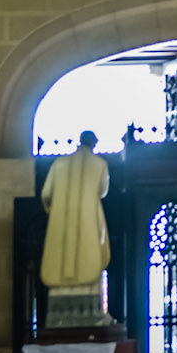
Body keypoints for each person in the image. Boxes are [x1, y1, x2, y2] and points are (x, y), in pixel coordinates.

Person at [40, 130, 111, 315]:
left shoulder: (59, 163)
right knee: (90, 260)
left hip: (60, 227)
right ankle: (90, 313)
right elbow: (103, 191)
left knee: (62, 262)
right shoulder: (100, 164)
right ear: (94, 144)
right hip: (89, 225)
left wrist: (55, 212)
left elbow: (46, 194)